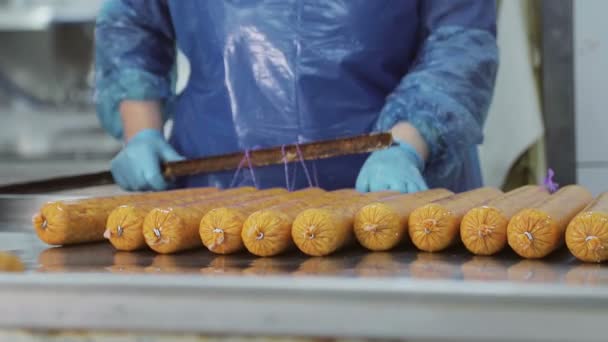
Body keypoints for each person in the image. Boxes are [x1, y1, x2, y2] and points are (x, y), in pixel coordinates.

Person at [95, 0, 498, 193]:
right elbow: (132, 24)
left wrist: (408, 145)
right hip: (215, 210)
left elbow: (460, 43)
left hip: (396, 198)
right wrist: (142, 133)